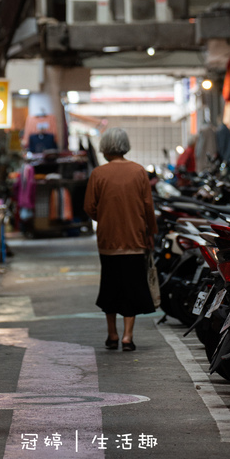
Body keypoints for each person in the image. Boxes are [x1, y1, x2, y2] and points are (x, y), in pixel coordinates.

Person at [84, 128, 158, 351]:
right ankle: (128, 336)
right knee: (132, 287)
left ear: (105, 148)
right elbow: (148, 207)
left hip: (108, 242)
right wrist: (150, 233)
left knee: (110, 287)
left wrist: (105, 217)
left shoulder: (98, 174)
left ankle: (112, 334)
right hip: (135, 240)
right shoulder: (138, 172)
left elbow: (89, 207)